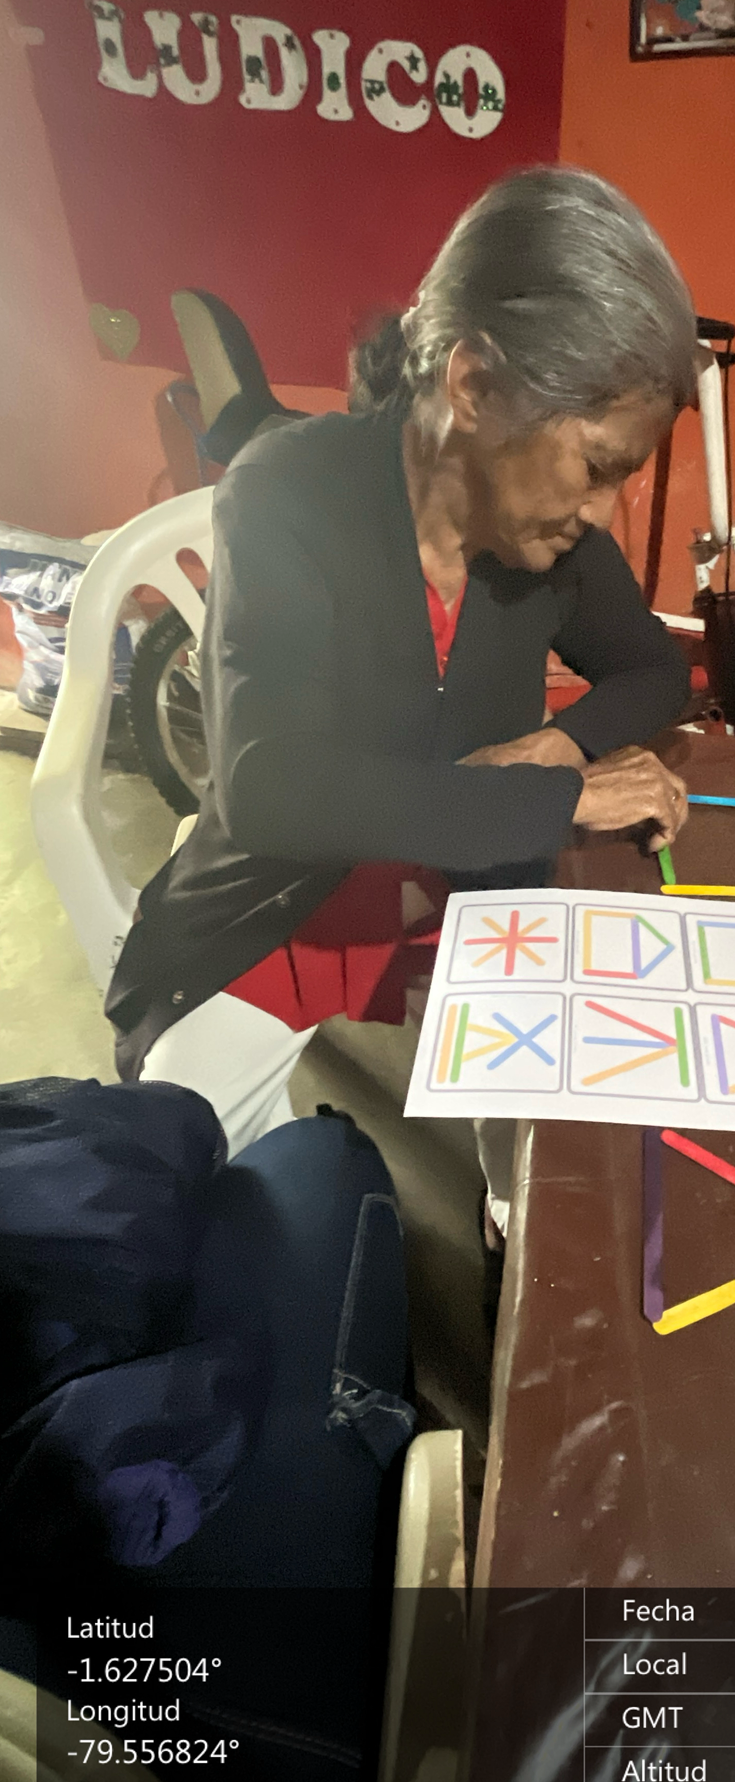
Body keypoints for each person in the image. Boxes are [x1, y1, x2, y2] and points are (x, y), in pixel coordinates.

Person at [106, 168, 694, 1243]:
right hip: (279, 909)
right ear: (474, 384)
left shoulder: (547, 542)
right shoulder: (290, 490)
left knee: (553, 1188)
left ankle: (503, 1232)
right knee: (165, 1202)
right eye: (597, 466)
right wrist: (557, 798)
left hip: (466, 897)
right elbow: (270, 789)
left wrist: (558, 742)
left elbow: (656, 670)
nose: (604, 511)